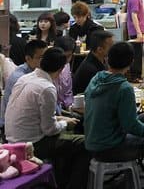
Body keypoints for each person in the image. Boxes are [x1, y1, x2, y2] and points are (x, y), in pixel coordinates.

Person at [84, 42, 144, 189]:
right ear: (131, 62)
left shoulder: (96, 79)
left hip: (92, 142)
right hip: (110, 148)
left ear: (107, 59)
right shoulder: (123, 88)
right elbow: (130, 125)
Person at [5, 47, 88, 189]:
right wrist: (64, 124)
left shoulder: (25, 78)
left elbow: (37, 116)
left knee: (68, 135)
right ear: (61, 69)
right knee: (85, 143)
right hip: (32, 144)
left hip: (11, 139)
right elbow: (49, 130)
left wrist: (61, 119)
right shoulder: (47, 87)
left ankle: (60, 178)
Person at [0, 39, 47, 126]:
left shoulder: (37, 71)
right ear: (28, 58)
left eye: (47, 57)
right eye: (41, 58)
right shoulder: (21, 78)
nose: (46, 60)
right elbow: (25, 111)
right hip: (14, 127)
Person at [72, 31, 114, 95]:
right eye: (111, 46)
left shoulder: (101, 59)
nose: (114, 48)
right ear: (99, 49)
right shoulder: (90, 69)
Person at [127, 0, 144, 80]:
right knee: (136, 54)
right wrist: (138, 31)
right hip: (135, 30)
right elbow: (134, 15)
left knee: (138, 53)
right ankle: (135, 76)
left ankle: (137, 75)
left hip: (138, 29)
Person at [53, 36, 76, 110]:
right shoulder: (47, 67)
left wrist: (70, 107)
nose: (64, 60)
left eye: (68, 56)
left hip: (64, 108)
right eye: (62, 56)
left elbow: (68, 92)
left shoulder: (66, 66)